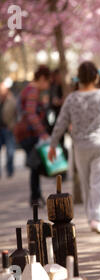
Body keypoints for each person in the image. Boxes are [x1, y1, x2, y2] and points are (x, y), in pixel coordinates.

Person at [48, 61, 100, 234]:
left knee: (86, 184)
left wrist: (53, 145)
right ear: (96, 77)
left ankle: (91, 217)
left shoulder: (71, 98)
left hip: (81, 147)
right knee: (98, 183)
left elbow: (60, 123)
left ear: (79, 78)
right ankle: (96, 219)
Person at [15, 65, 51, 207]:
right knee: (35, 165)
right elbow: (31, 113)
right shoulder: (33, 90)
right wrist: (42, 133)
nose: (47, 86)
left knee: (35, 166)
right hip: (28, 133)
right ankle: (35, 197)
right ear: (42, 78)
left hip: (24, 133)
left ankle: (36, 195)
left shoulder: (28, 89)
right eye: (47, 82)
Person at [0, 80, 17, 178]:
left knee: (10, 152)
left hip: (8, 129)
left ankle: (10, 170)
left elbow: (16, 114)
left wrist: (13, 126)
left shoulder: (11, 100)